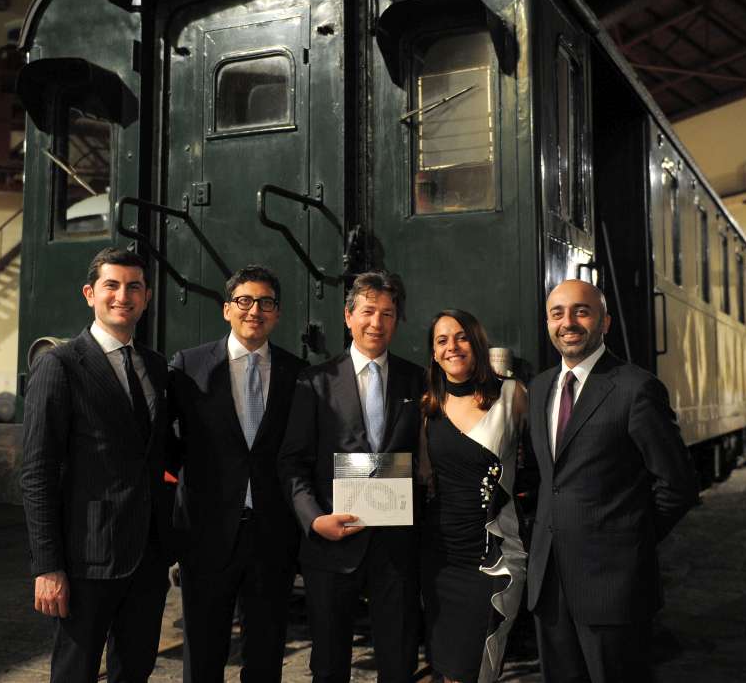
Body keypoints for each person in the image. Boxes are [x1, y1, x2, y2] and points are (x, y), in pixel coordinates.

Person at [20, 247, 182, 683]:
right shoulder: (59, 365)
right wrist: (47, 566)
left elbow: (161, 453)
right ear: (90, 294)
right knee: (75, 673)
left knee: (135, 670)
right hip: (86, 558)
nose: (122, 296)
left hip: (147, 557)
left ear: (146, 297)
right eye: (111, 285)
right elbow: (37, 472)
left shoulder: (154, 366)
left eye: (134, 287)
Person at [525, 279, 697, 683]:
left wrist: (629, 541)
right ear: (548, 324)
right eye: (557, 313)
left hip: (613, 586)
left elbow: (678, 485)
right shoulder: (539, 388)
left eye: (581, 311)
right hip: (549, 585)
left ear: (605, 322)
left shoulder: (636, 388)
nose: (568, 322)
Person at [278, 271, 424, 683]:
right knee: (328, 666)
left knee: (399, 664)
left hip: (395, 547)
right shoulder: (315, 382)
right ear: (348, 316)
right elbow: (292, 462)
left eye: (388, 314)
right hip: (332, 545)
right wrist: (314, 520)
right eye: (368, 312)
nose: (377, 322)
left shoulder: (416, 380)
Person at [168, 265, 305, 682]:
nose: (254, 311)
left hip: (272, 536)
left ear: (277, 313)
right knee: (203, 656)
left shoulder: (298, 373)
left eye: (266, 303)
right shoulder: (188, 367)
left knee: (265, 657)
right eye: (244, 301)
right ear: (227, 309)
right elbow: (164, 445)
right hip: (206, 535)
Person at [418, 310, 528, 683]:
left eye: (461, 337)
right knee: (446, 668)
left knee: (476, 667)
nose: (452, 346)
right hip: (440, 557)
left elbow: (542, 465)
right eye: (442, 340)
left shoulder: (512, 395)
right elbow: (421, 477)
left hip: (491, 556)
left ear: (477, 342)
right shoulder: (428, 406)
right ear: (434, 354)